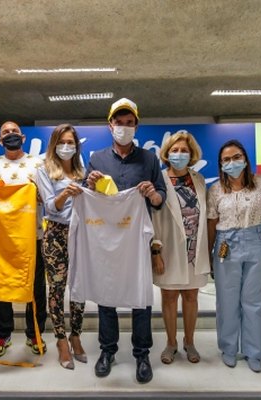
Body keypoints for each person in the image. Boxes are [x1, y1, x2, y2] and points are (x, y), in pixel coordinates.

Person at [85, 98, 166, 384]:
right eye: (119, 122)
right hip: (105, 239)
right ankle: (107, 350)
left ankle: (141, 354)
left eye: (129, 123)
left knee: (140, 298)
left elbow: (160, 199)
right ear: (110, 126)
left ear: (136, 126)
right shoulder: (96, 158)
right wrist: (90, 183)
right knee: (107, 296)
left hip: (136, 240)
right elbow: (87, 197)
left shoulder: (149, 159)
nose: (124, 127)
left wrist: (152, 194)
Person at [0, 120, 47, 357]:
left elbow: (47, 198)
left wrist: (34, 193)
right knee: (1, 285)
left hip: (33, 236)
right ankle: (2, 335)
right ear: (0, 141)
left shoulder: (38, 164)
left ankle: (35, 334)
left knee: (36, 287)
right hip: (0, 238)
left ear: (23, 138)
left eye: (14, 132)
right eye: (5, 133)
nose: (10, 135)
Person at [206, 139, 261, 373]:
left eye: (236, 157)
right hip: (226, 245)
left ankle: (254, 351)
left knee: (255, 300)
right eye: (226, 159)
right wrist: (208, 253)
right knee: (227, 300)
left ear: (245, 159)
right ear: (220, 164)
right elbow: (212, 223)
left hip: (256, 241)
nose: (232, 162)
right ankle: (229, 348)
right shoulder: (215, 190)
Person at [151, 130, 210, 364]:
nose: (179, 154)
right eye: (174, 150)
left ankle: (189, 342)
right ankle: (171, 343)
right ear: (166, 154)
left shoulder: (199, 179)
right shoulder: (160, 179)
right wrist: (156, 251)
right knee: (168, 296)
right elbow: (154, 218)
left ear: (192, 153)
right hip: (169, 249)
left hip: (194, 249)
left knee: (191, 296)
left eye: (184, 150)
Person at [36, 124, 86, 370]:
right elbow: (50, 207)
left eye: (71, 142)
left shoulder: (82, 169)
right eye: (62, 142)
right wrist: (65, 193)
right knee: (56, 287)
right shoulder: (44, 170)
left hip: (81, 233)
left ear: (77, 145)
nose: (67, 146)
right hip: (55, 232)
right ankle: (60, 339)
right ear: (54, 144)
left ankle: (76, 334)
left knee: (79, 285)